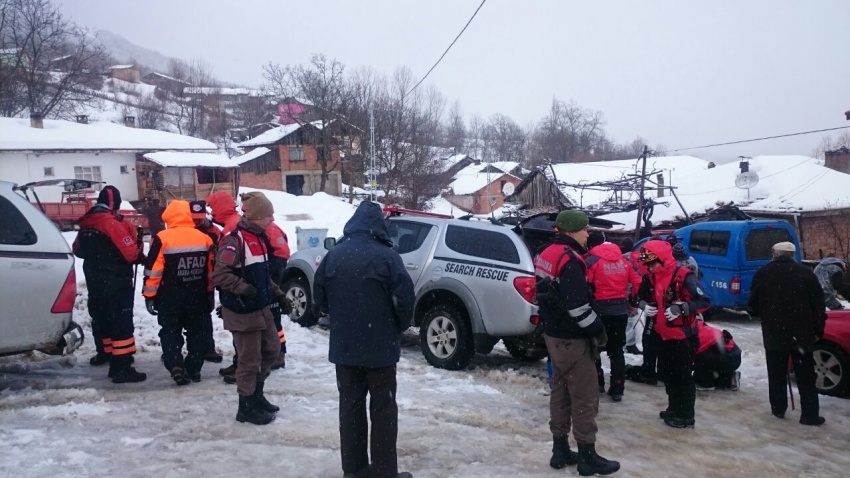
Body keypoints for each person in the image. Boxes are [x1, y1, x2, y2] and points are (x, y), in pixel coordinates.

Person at [313, 201, 415, 478]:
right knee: (383, 410)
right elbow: (405, 301)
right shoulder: (388, 257)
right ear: (379, 225)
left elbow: (318, 297)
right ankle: (383, 472)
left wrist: (338, 317)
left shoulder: (334, 255)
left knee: (350, 408)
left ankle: (354, 469)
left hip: (345, 349)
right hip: (380, 349)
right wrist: (396, 327)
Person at [534, 209, 620, 475]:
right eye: (584, 229)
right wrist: (598, 330)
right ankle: (587, 456)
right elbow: (578, 307)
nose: (587, 234)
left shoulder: (545, 254)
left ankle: (559, 449)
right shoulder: (570, 260)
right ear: (572, 231)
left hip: (553, 337)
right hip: (573, 339)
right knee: (584, 398)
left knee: (560, 394)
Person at [213, 192, 289, 425]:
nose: (271, 219)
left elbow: (263, 275)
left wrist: (279, 294)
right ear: (255, 216)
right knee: (248, 360)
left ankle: (257, 395)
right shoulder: (234, 240)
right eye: (268, 215)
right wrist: (244, 289)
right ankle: (245, 406)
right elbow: (220, 275)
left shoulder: (260, 238)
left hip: (260, 307)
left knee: (272, 350)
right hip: (242, 310)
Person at [72, 185, 147, 383]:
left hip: (95, 281)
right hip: (116, 281)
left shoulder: (87, 223)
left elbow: (77, 250)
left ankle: (105, 353)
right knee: (121, 322)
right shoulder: (111, 224)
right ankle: (121, 366)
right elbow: (131, 254)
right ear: (115, 204)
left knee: (101, 318)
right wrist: (140, 253)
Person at [748, 241, 827, 426]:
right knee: (806, 375)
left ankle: (778, 409)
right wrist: (818, 330)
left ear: (775, 254)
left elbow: (752, 306)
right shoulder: (806, 274)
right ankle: (809, 415)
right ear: (792, 255)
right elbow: (818, 306)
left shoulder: (763, 273)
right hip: (803, 333)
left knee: (776, 373)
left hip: (774, 332)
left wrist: (767, 314)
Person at [636, 240, 710, 429]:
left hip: (683, 337)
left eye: (653, 264)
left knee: (682, 376)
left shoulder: (684, 276)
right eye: (647, 265)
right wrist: (644, 305)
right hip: (662, 335)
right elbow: (636, 296)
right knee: (667, 374)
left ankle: (686, 415)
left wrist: (682, 308)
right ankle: (674, 407)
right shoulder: (650, 278)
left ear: (663, 259)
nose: (650, 268)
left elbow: (704, 301)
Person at [143, 200, 214, 385]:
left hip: (169, 298)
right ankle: (194, 368)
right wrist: (209, 293)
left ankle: (175, 365)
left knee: (170, 331)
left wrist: (149, 296)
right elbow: (211, 271)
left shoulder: (162, 238)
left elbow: (153, 271)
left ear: (168, 217)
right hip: (197, 297)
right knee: (197, 333)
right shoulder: (204, 239)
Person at [585, 237, 642, 402]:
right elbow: (638, 281)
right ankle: (617, 387)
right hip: (619, 311)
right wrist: (632, 301)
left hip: (598, 310)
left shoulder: (592, 260)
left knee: (593, 348)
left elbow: (585, 283)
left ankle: (598, 383)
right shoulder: (624, 261)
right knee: (616, 350)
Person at [206, 191, 242, 382]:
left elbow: (229, 263)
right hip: (235, 285)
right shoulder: (231, 224)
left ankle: (242, 369)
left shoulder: (231, 229)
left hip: (234, 287)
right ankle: (239, 363)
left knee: (241, 330)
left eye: (212, 208)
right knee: (238, 331)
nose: (210, 213)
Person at [189, 200, 224, 363]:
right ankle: (176, 349)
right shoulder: (181, 231)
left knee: (204, 314)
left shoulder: (214, 231)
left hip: (206, 280)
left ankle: (208, 348)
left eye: (199, 217)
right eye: (194, 218)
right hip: (185, 279)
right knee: (182, 317)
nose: (197, 221)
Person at [265, 220, 291, 370]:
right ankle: (279, 352)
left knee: (272, 318)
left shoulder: (269, 229)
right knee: (275, 318)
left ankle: (277, 353)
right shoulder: (275, 229)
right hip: (276, 273)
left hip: (271, 274)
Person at [693, 320, 742, 391]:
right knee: (703, 360)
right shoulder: (697, 327)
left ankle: (704, 384)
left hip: (730, 358)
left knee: (701, 360)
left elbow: (689, 357)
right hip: (732, 356)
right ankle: (729, 379)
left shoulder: (696, 335)